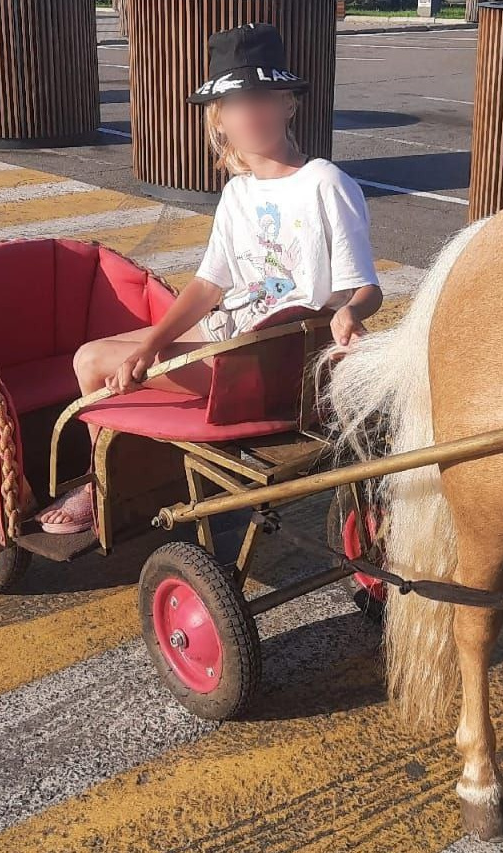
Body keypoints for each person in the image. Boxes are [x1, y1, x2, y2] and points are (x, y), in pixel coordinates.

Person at [36, 22, 383, 534]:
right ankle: (140, 476)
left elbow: (365, 289)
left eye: (264, 98)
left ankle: (103, 486)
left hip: (277, 356)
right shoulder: (238, 194)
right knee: (111, 351)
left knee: (90, 361)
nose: (253, 113)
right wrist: (153, 344)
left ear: (289, 103)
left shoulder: (325, 183)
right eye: (239, 104)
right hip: (232, 336)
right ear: (219, 119)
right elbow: (208, 287)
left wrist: (350, 313)